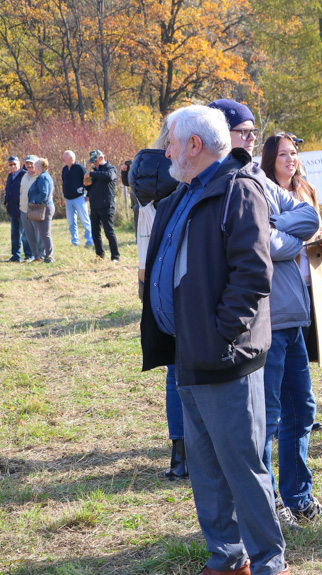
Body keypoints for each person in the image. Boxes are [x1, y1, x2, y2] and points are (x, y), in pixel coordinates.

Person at [140, 104, 288, 575]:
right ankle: (227, 559)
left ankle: (270, 564)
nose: (166, 150)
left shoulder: (237, 189)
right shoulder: (185, 192)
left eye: (172, 141)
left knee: (243, 469)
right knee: (205, 471)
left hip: (225, 358)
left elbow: (252, 273)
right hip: (188, 354)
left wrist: (222, 334)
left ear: (195, 145)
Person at [259, 131, 322, 528]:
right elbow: (263, 243)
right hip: (265, 322)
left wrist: (275, 227)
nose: (292, 159)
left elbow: (311, 219)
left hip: (295, 315)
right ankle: (269, 506)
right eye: (283, 153)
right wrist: (288, 238)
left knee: (302, 409)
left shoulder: (286, 191)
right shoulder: (248, 184)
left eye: (294, 153)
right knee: (268, 419)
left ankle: (297, 497)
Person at [128, 122, 187, 481]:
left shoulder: (144, 177)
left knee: (174, 371)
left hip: (153, 279)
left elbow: (143, 236)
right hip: (189, 281)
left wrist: (144, 282)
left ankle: (179, 455)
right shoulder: (184, 179)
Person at [84, 150, 120, 261]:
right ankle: (99, 255)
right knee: (95, 232)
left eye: (95, 161)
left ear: (101, 157)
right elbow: (89, 188)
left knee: (109, 232)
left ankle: (115, 256)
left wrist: (91, 174)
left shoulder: (111, 169)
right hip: (95, 206)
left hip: (106, 206)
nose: (94, 163)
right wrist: (86, 183)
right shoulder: (94, 171)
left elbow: (109, 177)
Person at [60, 151, 94, 247]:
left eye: (64, 157)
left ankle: (89, 240)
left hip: (79, 198)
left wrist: (89, 194)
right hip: (68, 199)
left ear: (71, 158)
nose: (63, 159)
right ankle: (75, 242)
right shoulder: (65, 169)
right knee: (71, 222)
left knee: (85, 220)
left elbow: (88, 180)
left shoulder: (79, 168)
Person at [3, 156, 32, 262]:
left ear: (19, 163)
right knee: (14, 233)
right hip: (12, 208)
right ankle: (16, 255)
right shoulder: (10, 176)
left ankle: (29, 255)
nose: (13, 166)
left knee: (25, 234)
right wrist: (6, 200)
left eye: (14, 164)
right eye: (10, 164)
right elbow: (8, 189)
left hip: (22, 208)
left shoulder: (24, 174)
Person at [29, 158, 56, 263]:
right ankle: (48, 256)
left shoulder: (43, 177)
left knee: (45, 234)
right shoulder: (45, 176)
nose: (34, 169)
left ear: (38, 168)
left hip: (45, 208)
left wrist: (35, 201)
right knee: (45, 233)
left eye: (35, 167)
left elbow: (43, 193)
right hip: (47, 207)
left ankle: (49, 257)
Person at [19, 156, 41, 262]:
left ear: (36, 164)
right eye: (27, 163)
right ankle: (35, 256)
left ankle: (42, 255)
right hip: (24, 210)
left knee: (39, 234)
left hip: (36, 210)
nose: (29, 165)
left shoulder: (40, 176)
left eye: (31, 163)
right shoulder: (24, 176)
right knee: (29, 235)